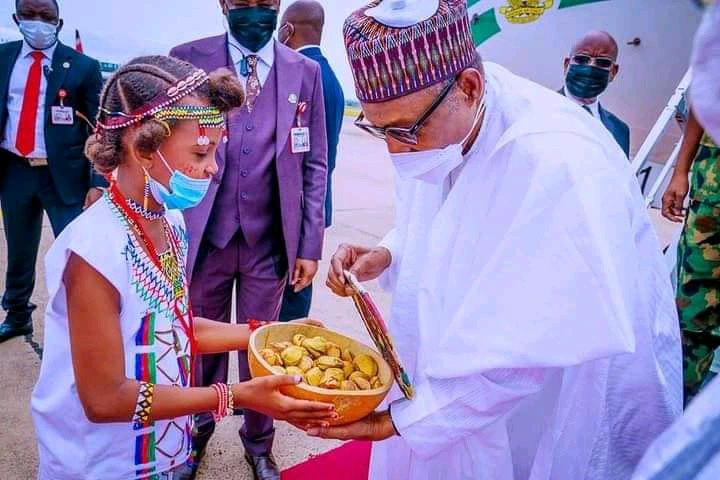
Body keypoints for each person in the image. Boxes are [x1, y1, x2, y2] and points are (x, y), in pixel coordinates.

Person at [311, 1, 682, 479]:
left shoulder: (561, 161)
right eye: (378, 128)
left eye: (404, 130)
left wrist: (403, 420)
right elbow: (451, 221)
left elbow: (533, 346)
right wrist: (389, 251)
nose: (394, 149)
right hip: (461, 386)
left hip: (552, 388)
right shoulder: (442, 118)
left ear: (469, 87)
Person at [30, 55, 335, 480]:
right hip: (102, 463)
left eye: (216, 150)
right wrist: (233, 395)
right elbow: (103, 400)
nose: (213, 167)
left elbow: (172, 326)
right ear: (143, 149)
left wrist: (266, 335)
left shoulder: (169, 221)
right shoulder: (93, 254)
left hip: (163, 454)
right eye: (201, 151)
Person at [169, 1, 328, 478]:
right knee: (202, 342)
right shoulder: (187, 57)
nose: (255, 10)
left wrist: (309, 244)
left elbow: (316, 163)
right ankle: (195, 430)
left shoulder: (305, 72)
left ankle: (259, 442)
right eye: (244, 2)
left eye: (266, 4)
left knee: (263, 347)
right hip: (205, 238)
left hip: (269, 241)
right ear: (223, 4)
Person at [0, 0, 104, 343]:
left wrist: (96, 181)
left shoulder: (82, 67)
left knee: (77, 254)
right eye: (30, 16)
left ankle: (83, 322)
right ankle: (17, 316)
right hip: (15, 170)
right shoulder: (3, 59)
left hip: (65, 176)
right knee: (19, 249)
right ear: (16, 18)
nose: (38, 23)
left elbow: (100, 128)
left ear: (59, 22)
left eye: (47, 17)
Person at [278, 0, 345, 322]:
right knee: (292, 292)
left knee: (289, 298)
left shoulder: (304, 75)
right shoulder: (329, 76)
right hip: (312, 209)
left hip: (298, 210)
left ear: (287, 29)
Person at [661, 108, 719, 403]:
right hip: (713, 200)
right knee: (692, 320)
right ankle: (673, 411)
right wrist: (680, 171)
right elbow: (705, 94)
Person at [560, 30, 631, 157]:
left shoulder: (620, 130)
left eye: (602, 63)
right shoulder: (538, 109)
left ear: (613, 72)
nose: (590, 68)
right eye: (582, 59)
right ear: (566, 65)